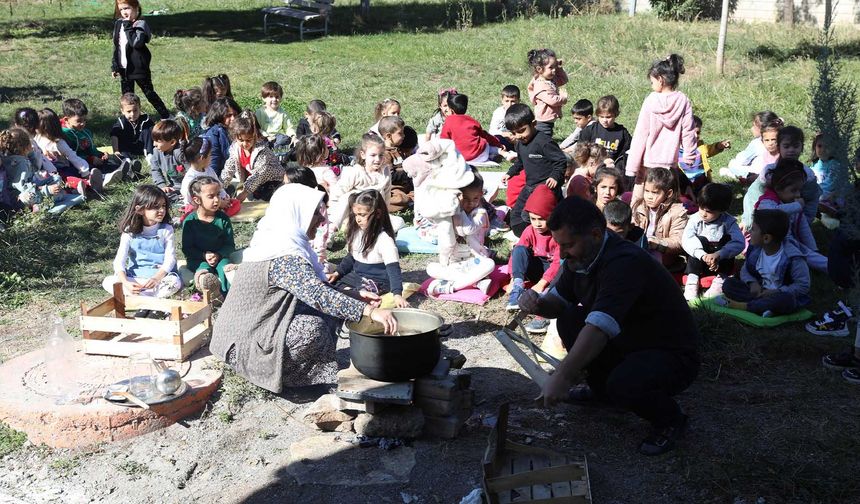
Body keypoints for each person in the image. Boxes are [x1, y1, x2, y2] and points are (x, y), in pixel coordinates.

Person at [517, 196, 700, 456]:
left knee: (624, 383)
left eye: (567, 245)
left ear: (594, 233)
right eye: (559, 244)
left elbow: (600, 327)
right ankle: (602, 392)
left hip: (669, 352)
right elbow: (558, 302)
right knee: (570, 319)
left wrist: (563, 376)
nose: (562, 252)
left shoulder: (624, 262)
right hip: (631, 338)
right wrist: (537, 303)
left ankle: (670, 419)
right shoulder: (579, 256)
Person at [209, 183, 397, 393]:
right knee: (311, 329)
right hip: (241, 344)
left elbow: (315, 288)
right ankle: (287, 377)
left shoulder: (284, 242)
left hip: (258, 327)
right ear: (298, 213)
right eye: (316, 212)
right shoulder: (282, 254)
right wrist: (369, 311)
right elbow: (318, 294)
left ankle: (311, 369)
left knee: (331, 311)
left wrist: (353, 295)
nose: (322, 219)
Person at [625, 54, 697, 195]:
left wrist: (632, 166)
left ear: (660, 80)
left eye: (652, 82)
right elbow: (688, 131)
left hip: (648, 162)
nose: (652, 86)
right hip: (669, 162)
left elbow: (641, 134)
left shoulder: (651, 101)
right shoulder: (683, 101)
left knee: (641, 197)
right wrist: (689, 155)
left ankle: (638, 217)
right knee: (668, 196)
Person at [718, 209, 810, 317]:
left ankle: (744, 306)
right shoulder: (755, 250)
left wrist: (777, 291)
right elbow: (746, 269)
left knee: (786, 300)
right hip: (759, 292)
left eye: (753, 229)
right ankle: (764, 308)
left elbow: (803, 285)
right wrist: (752, 283)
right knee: (729, 284)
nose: (749, 232)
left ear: (766, 238)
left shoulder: (793, 258)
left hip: (780, 295)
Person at [327, 190, 408, 308]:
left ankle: (354, 294)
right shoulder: (356, 233)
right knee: (326, 282)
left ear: (378, 214)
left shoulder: (384, 240)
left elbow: (393, 269)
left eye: (362, 215)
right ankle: (352, 292)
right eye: (355, 215)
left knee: (361, 293)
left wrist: (397, 294)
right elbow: (351, 258)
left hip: (376, 281)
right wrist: (337, 273)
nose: (358, 219)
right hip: (357, 276)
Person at [103, 184, 182, 297]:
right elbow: (119, 261)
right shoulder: (129, 231)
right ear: (140, 210)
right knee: (108, 281)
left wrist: (156, 278)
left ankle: (142, 299)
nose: (161, 210)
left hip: (159, 278)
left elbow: (170, 259)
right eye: (155, 207)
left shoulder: (166, 230)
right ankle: (149, 299)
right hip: (135, 277)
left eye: (163, 206)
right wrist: (126, 283)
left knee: (174, 283)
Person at [425, 168, 495, 295]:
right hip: (454, 263)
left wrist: (459, 210)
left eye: (476, 198)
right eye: (466, 198)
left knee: (489, 264)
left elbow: (466, 230)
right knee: (430, 268)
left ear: (481, 195)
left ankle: (451, 287)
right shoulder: (450, 212)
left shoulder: (480, 213)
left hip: (473, 260)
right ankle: (476, 282)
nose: (471, 203)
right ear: (458, 196)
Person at [502, 104, 566, 236]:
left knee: (533, 214)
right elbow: (520, 161)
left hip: (546, 187)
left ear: (534, 124)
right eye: (514, 133)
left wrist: (555, 176)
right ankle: (528, 235)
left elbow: (560, 160)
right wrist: (510, 173)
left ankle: (549, 233)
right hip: (530, 185)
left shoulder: (544, 142)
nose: (518, 136)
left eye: (521, 130)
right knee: (517, 215)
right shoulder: (520, 144)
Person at [754, 158, 827, 272]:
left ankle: (833, 268)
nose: (798, 194)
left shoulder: (792, 204)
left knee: (806, 254)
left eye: (799, 190)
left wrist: (813, 248)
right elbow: (773, 212)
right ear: (778, 188)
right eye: (793, 190)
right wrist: (797, 206)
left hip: (787, 242)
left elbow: (804, 228)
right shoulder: (767, 202)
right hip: (766, 246)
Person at [741, 125, 820, 229]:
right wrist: (749, 222)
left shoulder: (807, 175)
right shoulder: (769, 172)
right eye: (786, 146)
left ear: (802, 147)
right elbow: (753, 195)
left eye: (795, 146)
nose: (791, 150)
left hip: (793, 222)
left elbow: (812, 199)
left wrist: (806, 222)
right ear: (778, 147)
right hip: (767, 220)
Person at [506, 184, 561, 334]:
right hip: (537, 267)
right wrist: (513, 278)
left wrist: (543, 283)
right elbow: (518, 254)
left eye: (542, 219)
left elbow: (558, 263)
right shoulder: (530, 230)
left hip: (551, 273)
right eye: (533, 219)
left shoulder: (558, 233)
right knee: (519, 249)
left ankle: (544, 310)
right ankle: (518, 287)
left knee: (563, 271)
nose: (537, 223)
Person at [681, 183, 744, 300]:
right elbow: (687, 239)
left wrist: (719, 254)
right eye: (701, 208)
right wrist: (702, 255)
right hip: (700, 261)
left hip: (720, 261)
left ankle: (720, 279)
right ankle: (692, 279)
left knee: (728, 239)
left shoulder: (728, 222)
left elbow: (739, 242)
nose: (703, 214)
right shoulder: (695, 219)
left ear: (722, 210)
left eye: (709, 211)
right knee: (699, 240)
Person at [1, 127, 83, 214]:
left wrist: (32, 154)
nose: (32, 145)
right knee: (33, 196)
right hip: (21, 198)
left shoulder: (20, 158)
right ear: (24, 147)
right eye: (30, 143)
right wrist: (46, 190)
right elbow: (23, 188)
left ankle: (61, 194)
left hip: (33, 188)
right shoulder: (19, 165)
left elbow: (36, 168)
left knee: (55, 178)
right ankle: (41, 205)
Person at [110, 0, 169, 119]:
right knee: (127, 97)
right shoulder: (119, 24)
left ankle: (166, 115)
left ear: (136, 8)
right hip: (124, 68)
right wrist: (115, 65)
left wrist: (128, 26)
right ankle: (130, 119)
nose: (124, 12)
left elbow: (136, 43)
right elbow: (118, 46)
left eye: (126, 8)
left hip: (139, 68)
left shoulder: (140, 24)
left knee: (149, 93)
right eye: (121, 9)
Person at [181, 176, 236, 297]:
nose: (217, 200)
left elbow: (230, 245)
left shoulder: (223, 218)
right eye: (211, 197)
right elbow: (187, 249)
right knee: (204, 270)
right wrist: (204, 255)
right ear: (197, 200)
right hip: (198, 259)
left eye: (218, 194)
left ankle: (228, 296)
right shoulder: (190, 222)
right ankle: (208, 289)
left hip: (220, 256)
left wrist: (219, 255)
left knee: (226, 269)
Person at [328, 134, 391, 238]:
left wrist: (386, 214)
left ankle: (373, 229)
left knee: (399, 222)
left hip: (374, 215)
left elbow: (387, 194)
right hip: (355, 216)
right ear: (363, 155)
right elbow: (337, 193)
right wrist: (334, 215)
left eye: (381, 155)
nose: (377, 159)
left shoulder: (385, 173)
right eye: (373, 155)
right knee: (348, 196)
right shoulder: (355, 172)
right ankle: (331, 231)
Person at [35, 108, 105, 196]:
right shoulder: (36, 139)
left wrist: (85, 173)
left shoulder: (58, 143)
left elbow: (73, 157)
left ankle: (87, 184)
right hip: (45, 174)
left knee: (67, 177)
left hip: (62, 170)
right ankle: (82, 186)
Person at [631, 166, 688, 271]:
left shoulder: (677, 212)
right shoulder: (639, 207)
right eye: (647, 191)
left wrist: (658, 243)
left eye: (655, 192)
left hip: (663, 255)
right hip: (639, 251)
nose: (649, 196)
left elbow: (679, 241)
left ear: (669, 193)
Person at [220, 110, 284, 202]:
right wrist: (219, 187)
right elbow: (229, 169)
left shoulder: (261, 151)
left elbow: (259, 174)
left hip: (273, 183)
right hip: (254, 184)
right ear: (235, 137)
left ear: (255, 136)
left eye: (249, 140)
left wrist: (244, 193)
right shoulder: (235, 149)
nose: (245, 144)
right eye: (241, 140)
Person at [61, 99, 125, 181]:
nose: (83, 123)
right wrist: (90, 159)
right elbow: (70, 156)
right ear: (66, 120)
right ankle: (105, 177)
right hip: (78, 164)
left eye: (84, 120)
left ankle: (124, 169)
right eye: (79, 121)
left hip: (92, 159)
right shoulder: (65, 135)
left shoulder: (85, 132)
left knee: (112, 158)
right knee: (90, 169)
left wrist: (100, 154)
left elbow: (91, 148)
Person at [439, 93, 506, 164]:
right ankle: (499, 152)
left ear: (451, 110)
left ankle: (494, 154)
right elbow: (485, 135)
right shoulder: (472, 121)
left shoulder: (448, 121)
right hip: (481, 156)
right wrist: (498, 143)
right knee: (485, 143)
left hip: (460, 158)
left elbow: (444, 140)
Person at [180, 136, 238, 216]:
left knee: (235, 203)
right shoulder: (190, 179)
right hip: (200, 206)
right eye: (210, 155)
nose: (211, 158)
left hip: (215, 200)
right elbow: (193, 201)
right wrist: (219, 203)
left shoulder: (209, 170)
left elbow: (219, 186)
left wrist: (224, 197)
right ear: (202, 158)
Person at [720, 111, 781, 181]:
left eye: (754, 126)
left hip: (757, 173)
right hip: (775, 172)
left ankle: (736, 175)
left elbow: (742, 159)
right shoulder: (781, 139)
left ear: (761, 129)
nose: (752, 128)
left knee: (732, 163)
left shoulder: (757, 143)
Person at [577, 96, 631, 174]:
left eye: (608, 117)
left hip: (613, 171)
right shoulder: (590, 130)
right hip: (592, 170)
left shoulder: (622, 133)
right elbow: (581, 151)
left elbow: (625, 154)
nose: (605, 120)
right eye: (601, 117)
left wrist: (615, 164)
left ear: (616, 114)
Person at [677, 115, 730, 191]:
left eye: (698, 132)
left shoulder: (699, 146)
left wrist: (719, 146)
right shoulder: (675, 150)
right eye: (692, 132)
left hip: (702, 181)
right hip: (685, 185)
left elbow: (709, 150)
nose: (696, 136)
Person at [526, 48, 568, 138]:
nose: (554, 70)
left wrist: (559, 67)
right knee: (544, 138)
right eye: (551, 67)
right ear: (539, 69)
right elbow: (551, 100)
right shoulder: (540, 84)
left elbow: (564, 80)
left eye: (555, 67)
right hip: (542, 121)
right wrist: (563, 98)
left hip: (548, 121)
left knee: (546, 137)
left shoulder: (550, 79)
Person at [110, 93, 153, 180]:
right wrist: (116, 150)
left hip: (141, 147)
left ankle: (150, 155)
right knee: (120, 139)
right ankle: (128, 162)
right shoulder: (122, 122)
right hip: (127, 147)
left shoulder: (145, 119)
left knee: (147, 129)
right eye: (129, 111)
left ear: (140, 108)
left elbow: (155, 130)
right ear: (122, 111)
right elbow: (114, 135)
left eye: (135, 110)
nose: (132, 114)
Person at [149, 119, 186, 203]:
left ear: (172, 142)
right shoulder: (156, 152)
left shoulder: (180, 153)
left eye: (158, 141)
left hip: (189, 185)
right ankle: (179, 199)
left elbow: (192, 171)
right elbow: (155, 170)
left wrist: (188, 188)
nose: (154, 144)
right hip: (174, 186)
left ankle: (184, 199)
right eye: (153, 140)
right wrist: (162, 186)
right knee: (157, 196)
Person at [11, 108, 56, 176]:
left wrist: (52, 170)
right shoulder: (16, 145)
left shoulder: (31, 140)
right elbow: (32, 166)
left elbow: (40, 157)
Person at [203, 96, 240, 177]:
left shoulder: (241, 129)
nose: (233, 118)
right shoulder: (214, 134)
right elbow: (213, 161)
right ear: (219, 116)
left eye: (235, 114)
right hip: (223, 176)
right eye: (228, 115)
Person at [255, 81, 295, 149]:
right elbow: (257, 128)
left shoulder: (283, 113)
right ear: (264, 98)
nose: (274, 99)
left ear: (281, 98)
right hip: (263, 137)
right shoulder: (260, 112)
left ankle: (278, 151)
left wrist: (293, 135)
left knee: (284, 139)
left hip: (276, 138)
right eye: (271, 97)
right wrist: (267, 136)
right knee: (258, 141)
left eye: (277, 97)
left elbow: (288, 127)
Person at [488, 85, 520, 149]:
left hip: (517, 140)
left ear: (518, 101)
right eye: (507, 101)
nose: (509, 104)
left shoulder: (521, 112)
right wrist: (503, 134)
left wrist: (516, 137)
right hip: (502, 139)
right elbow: (491, 131)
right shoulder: (498, 112)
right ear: (502, 100)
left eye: (513, 101)